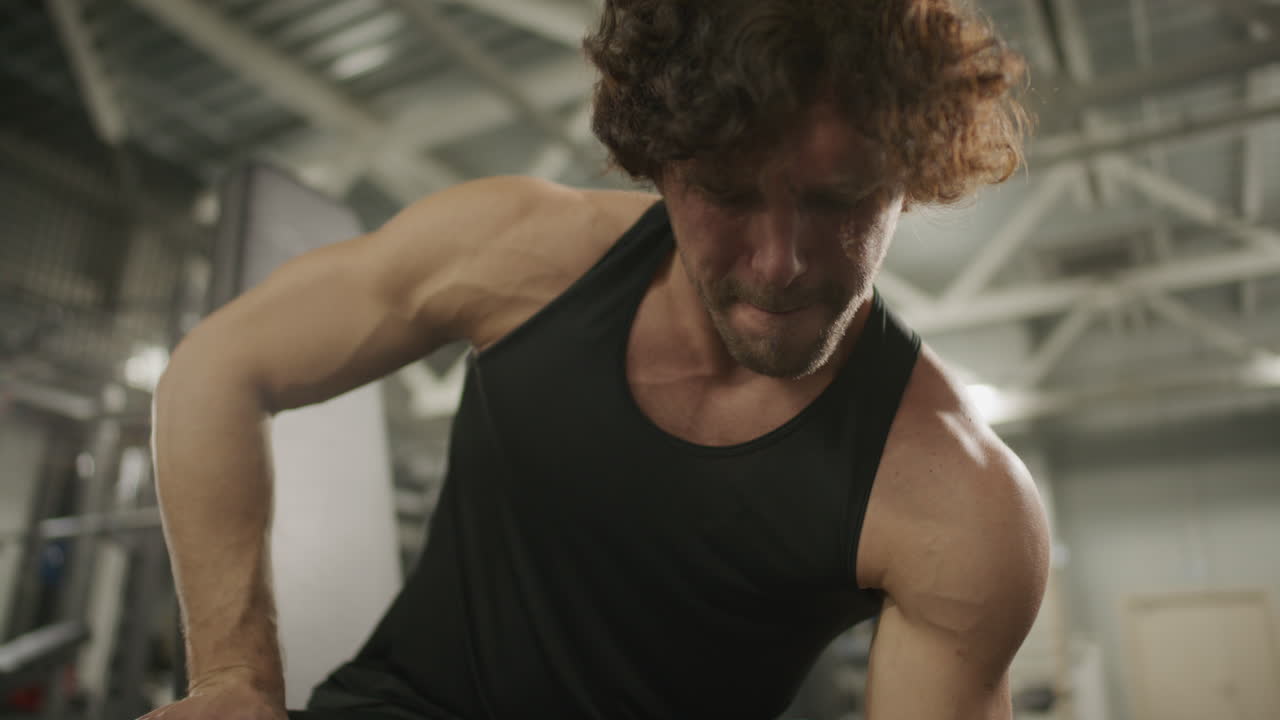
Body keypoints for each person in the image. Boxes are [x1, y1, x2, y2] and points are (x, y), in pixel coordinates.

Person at [144, 1, 1051, 718]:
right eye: (727, 195)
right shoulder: (517, 255)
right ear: (655, 162)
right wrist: (232, 676)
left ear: (914, 172)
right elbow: (218, 368)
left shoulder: (959, 505)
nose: (780, 263)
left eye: (839, 199)